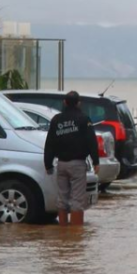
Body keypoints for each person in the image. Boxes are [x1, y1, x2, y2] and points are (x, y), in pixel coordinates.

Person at [44, 91, 99, 226]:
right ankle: (75, 236)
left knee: (62, 199)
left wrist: (48, 163)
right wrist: (96, 161)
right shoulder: (84, 119)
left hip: (61, 164)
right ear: (79, 103)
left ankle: (63, 232)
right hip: (78, 164)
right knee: (77, 201)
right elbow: (91, 141)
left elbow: (49, 143)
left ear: (65, 102)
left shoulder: (56, 120)